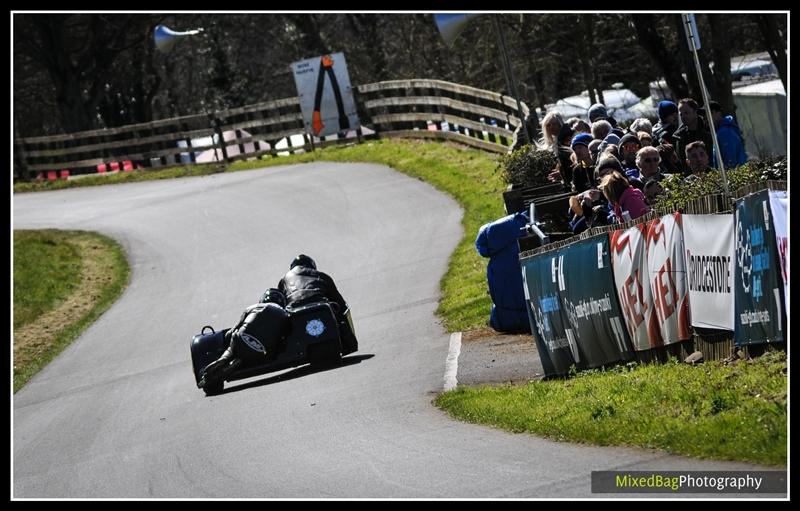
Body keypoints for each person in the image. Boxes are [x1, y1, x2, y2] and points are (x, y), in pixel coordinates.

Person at [199, 288, 290, 387]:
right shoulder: (285, 314)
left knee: (234, 343)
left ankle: (225, 358)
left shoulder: (252, 307)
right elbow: (285, 338)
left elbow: (231, 332)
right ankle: (238, 360)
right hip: (264, 351)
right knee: (262, 351)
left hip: (241, 338)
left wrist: (229, 340)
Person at [707, 100, 748, 169]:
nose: (706, 118)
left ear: (718, 113)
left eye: (709, 113)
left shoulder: (724, 132)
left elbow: (730, 163)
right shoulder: (722, 131)